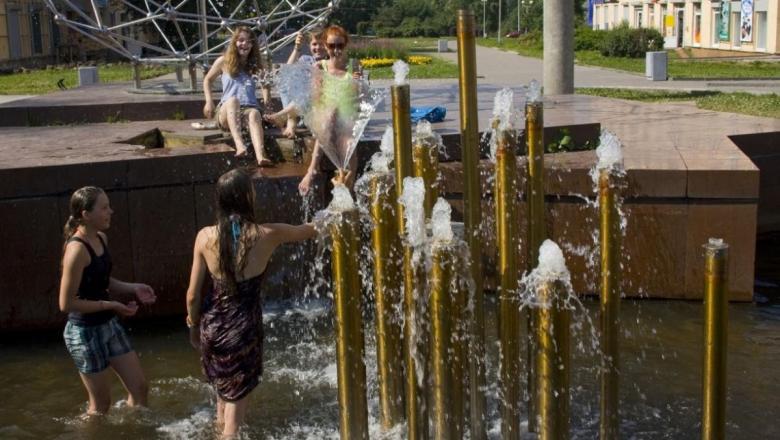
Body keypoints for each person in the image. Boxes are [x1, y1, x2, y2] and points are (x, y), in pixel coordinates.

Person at [185, 168, 317, 438]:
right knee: (235, 417)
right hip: (243, 330)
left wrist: (193, 327)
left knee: (223, 400)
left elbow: (192, 296)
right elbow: (313, 230)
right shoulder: (268, 234)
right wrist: (340, 195)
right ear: (247, 197)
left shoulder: (204, 236)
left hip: (212, 327)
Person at [59, 186, 157, 416]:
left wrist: (133, 288)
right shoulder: (76, 250)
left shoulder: (101, 238)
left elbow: (102, 281)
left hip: (108, 324)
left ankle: (137, 431)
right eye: (104, 208)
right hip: (84, 333)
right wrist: (111, 305)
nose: (110, 211)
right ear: (86, 215)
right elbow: (66, 303)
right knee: (101, 406)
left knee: (140, 388)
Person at [299, 25, 363, 195]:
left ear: (346, 45)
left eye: (340, 46)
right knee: (330, 115)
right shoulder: (320, 67)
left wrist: (357, 85)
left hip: (346, 121)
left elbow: (358, 104)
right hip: (324, 118)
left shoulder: (353, 67)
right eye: (332, 46)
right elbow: (316, 100)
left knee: (350, 144)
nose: (336, 50)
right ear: (326, 46)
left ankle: (349, 184)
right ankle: (312, 169)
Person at [203, 26, 272, 167]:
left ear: (253, 45)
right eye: (241, 40)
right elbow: (207, 80)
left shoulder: (256, 64)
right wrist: (209, 101)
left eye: (249, 41)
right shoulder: (223, 61)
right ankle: (239, 144)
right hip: (226, 111)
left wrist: (267, 104)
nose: (244, 44)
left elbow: (265, 85)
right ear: (235, 42)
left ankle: (260, 156)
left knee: (254, 113)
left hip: (247, 111)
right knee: (233, 100)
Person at [264, 29, 329, 139]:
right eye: (314, 44)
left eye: (322, 44)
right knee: (286, 78)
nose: (318, 48)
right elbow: (287, 70)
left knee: (312, 89)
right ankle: (291, 122)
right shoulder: (306, 59)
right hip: (302, 113)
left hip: (318, 114)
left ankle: (284, 117)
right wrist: (297, 48)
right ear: (309, 45)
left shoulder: (332, 62)